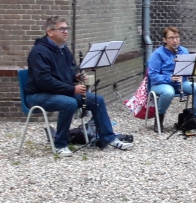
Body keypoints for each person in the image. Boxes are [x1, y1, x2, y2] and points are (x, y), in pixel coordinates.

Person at [25, 16, 134, 156]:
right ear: (50, 32)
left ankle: (108, 138)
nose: (65, 32)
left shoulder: (63, 50)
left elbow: (69, 71)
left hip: (59, 92)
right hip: (38, 95)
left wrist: (76, 76)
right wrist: (72, 89)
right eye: (62, 29)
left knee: (97, 100)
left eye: (66, 28)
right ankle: (60, 144)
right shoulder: (38, 52)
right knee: (69, 103)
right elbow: (44, 81)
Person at [149, 26, 196, 133]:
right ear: (165, 40)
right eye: (171, 38)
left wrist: (189, 72)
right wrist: (170, 78)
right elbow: (152, 75)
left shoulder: (183, 51)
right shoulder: (157, 54)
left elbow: (188, 70)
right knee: (168, 92)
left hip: (181, 83)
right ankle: (159, 118)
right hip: (161, 84)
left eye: (177, 37)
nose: (175, 40)